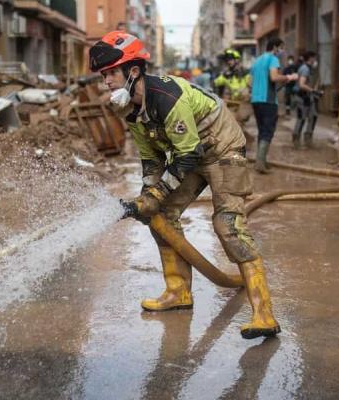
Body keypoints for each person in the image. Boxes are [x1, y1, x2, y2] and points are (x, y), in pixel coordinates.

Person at [90, 31, 280, 339]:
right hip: (190, 152)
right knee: (160, 217)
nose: (106, 80)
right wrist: (147, 197)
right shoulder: (129, 108)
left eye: (111, 72)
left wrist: (156, 193)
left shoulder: (167, 97)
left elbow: (189, 153)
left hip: (221, 148)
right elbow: (151, 160)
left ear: (133, 71)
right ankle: (178, 292)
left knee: (228, 224)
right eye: (103, 74)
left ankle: (264, 313)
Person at [248, 38, 298, 173]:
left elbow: (249, 82)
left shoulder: (257, 61)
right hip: (268, 101)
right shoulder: (273, 59)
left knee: (262, 130)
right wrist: (289, 77)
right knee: (268, 131)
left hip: (256, 100)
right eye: (281, 48)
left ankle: (261, 161)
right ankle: (260, 163)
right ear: (275, 47)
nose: (282, 51)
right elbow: (274, 77)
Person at [292, 51, 321, 149]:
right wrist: (313, 90)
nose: (315, 60)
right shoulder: (305, 69)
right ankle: (296, 140)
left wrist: (314, 90)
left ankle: (308, 139)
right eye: (314, 58)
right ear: (311, 58)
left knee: (313, 116)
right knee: (301, 118)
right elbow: (301, 84)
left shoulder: (310, 69)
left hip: (309, 97)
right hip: (301, 98)